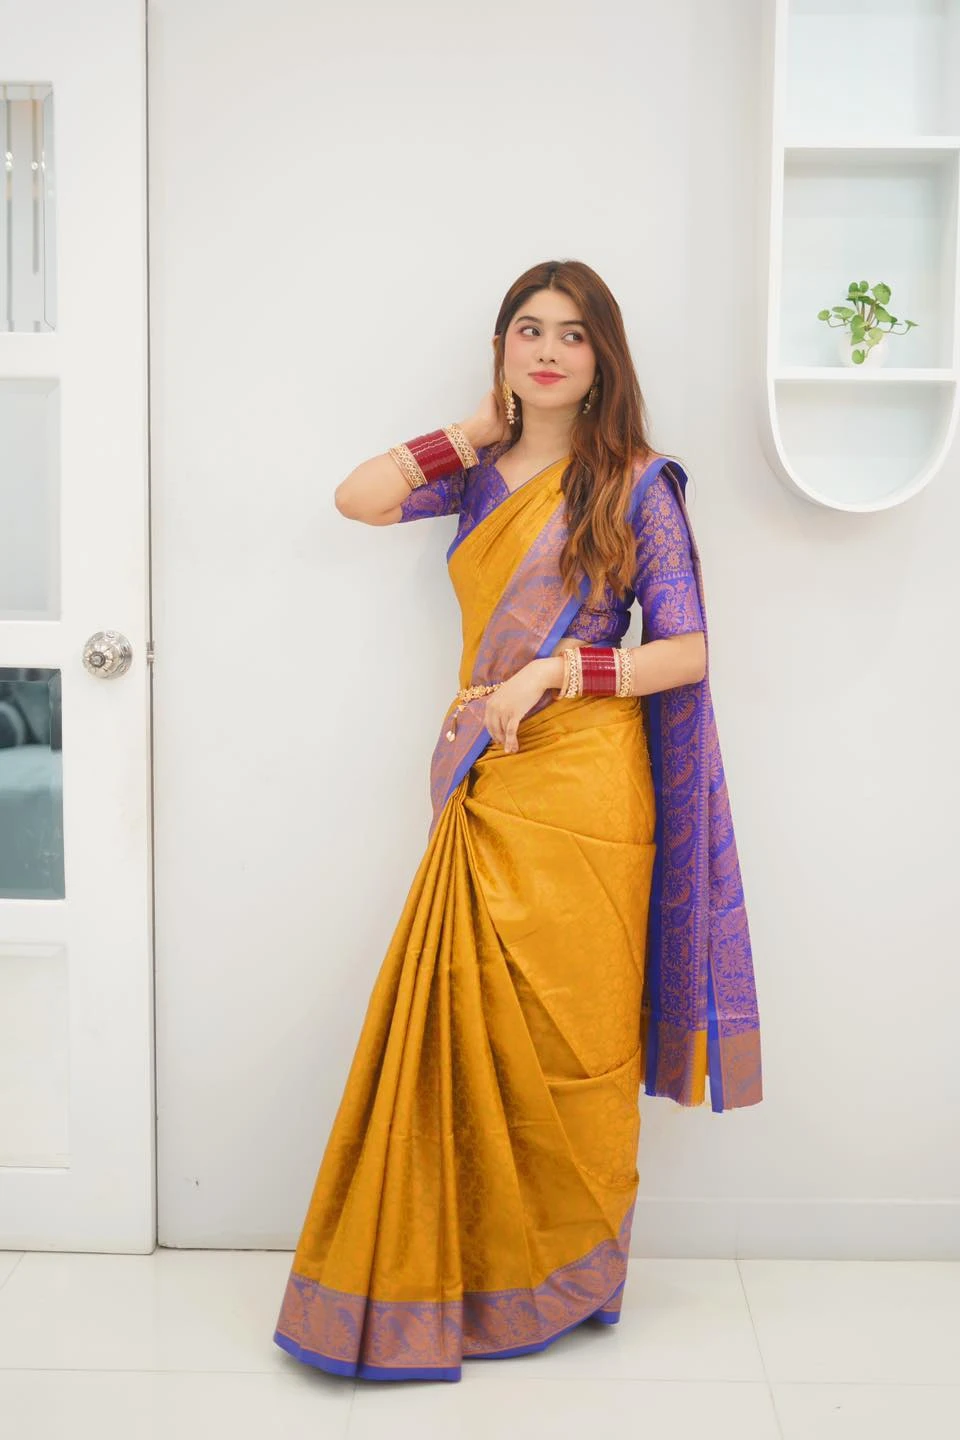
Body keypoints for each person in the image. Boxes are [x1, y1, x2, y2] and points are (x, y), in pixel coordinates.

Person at [273, 259, 762, 1384]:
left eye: (573, 334)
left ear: (603, 358)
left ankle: (568, 1276)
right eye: (528, 330)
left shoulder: (636, 485)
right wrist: (470, 430)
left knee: (573, 1038)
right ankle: (459, 1272)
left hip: (587, 785)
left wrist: (557, 672)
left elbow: (689, 651)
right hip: (489, 775)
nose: (548, 350)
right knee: (468, 1022)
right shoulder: (478, 479)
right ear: (501, 349)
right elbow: (357, 498)